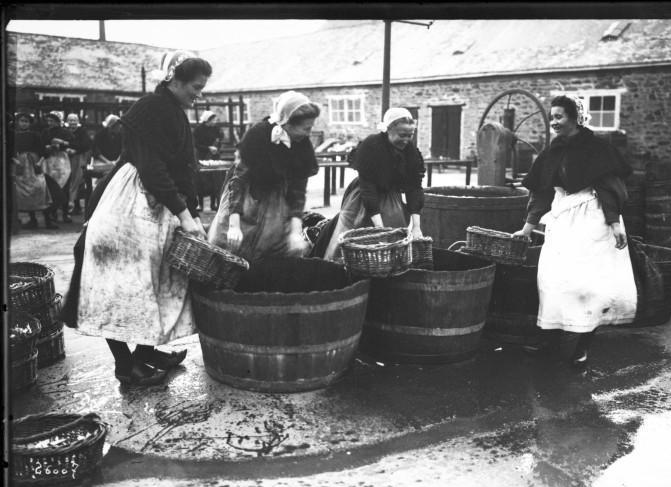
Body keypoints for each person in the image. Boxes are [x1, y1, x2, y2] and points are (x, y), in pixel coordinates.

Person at [63, 51, 211, 387]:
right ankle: (125, 364)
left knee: (156, 280)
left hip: (161, 204)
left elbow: (183, 168)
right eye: (195, 87)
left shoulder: (174, 111)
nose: (198, 94)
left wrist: (192, 209)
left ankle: (145, 353)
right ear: (173, 79)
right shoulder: (148, 109)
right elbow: (152, 167)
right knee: (120, 283)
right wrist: (184, 213)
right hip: (129, 206)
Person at [512, 95, 637, 373]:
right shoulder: (553, 150)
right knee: (554, 279)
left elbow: (609, 188)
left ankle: (582, 343)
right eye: (551, 117)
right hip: (562, 220)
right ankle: (550, 336)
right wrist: (527, 228)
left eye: (559, 116)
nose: (553, 122)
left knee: (587, 284)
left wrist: (615, 223)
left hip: (593, 219)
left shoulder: (597, 149)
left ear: (576, 118)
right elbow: (542, 192)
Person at [207, 91, 320, 262]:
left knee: (271, 252)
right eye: (306, 128)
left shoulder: (302, 147)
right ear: (288, 123)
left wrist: (296, 231)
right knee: (229, 248)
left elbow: (297, 191)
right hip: (244, 199)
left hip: (275, 203)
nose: (309, 133)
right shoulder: (258, 136)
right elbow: (237, 182)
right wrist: (234, 225)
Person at [311, 107, 425, 260]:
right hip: (363, 198)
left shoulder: (410, 151)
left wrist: (417, 227)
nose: (406, 139)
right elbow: (368, 189)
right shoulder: (372, 146)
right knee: (351, 235)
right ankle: (337, 268)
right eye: (401, 135)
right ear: (388, 130)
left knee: (392, 241)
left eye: (410, 135)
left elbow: (414, 188)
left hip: (391, 198)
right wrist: (380, 229)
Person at [10, 112, 57, 229]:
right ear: (17, 122)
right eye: (21, 121)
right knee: (24, 191)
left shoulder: (36, 135)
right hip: (21, 166)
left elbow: (42, 150)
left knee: (41, 189)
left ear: (30, 123)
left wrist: (40, 162)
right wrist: (15, 161)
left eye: (26, 121)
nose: (23, 123)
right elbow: (10, 150)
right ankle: (32, 219)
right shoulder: (14, 135)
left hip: (34, 164)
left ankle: (47, 220)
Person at [40, 111, 73, 223]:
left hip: (62, 159)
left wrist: (62, 143)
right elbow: (40, 144)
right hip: (49, 160)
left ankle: (65, 213)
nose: (50, 123)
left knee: (64, 185)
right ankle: (52, 211)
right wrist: (47, 147)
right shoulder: (45, 132)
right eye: (48, 121)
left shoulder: (65, 132)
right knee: (52, 186)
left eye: (52, 121)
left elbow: (73, 143)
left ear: (58, 121)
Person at [65, 113, 93, 215]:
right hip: (66, 158)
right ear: (67, 122)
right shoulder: (65, 131)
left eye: (74, 120)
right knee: (68, 180)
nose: (72, 122)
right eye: (70, 120)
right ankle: (68, 204)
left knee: (77, 180)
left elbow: (86, 145)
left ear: (78, 122)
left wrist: (75, 150)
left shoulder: (82, 132)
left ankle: (74, 204)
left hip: (78, 158)